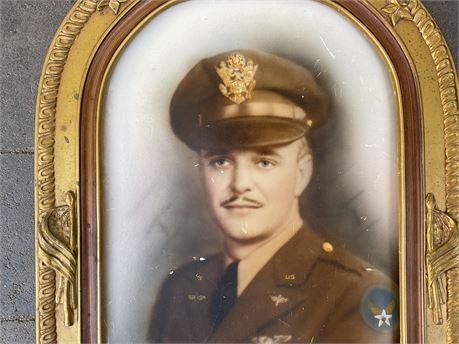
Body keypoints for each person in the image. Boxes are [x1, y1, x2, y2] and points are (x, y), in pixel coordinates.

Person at [148, 50, 399, 343]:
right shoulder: (180, 290)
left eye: (264, 162)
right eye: (220, 161)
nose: (240, 184)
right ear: (201, 172)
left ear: (302, 172)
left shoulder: (355, 295)